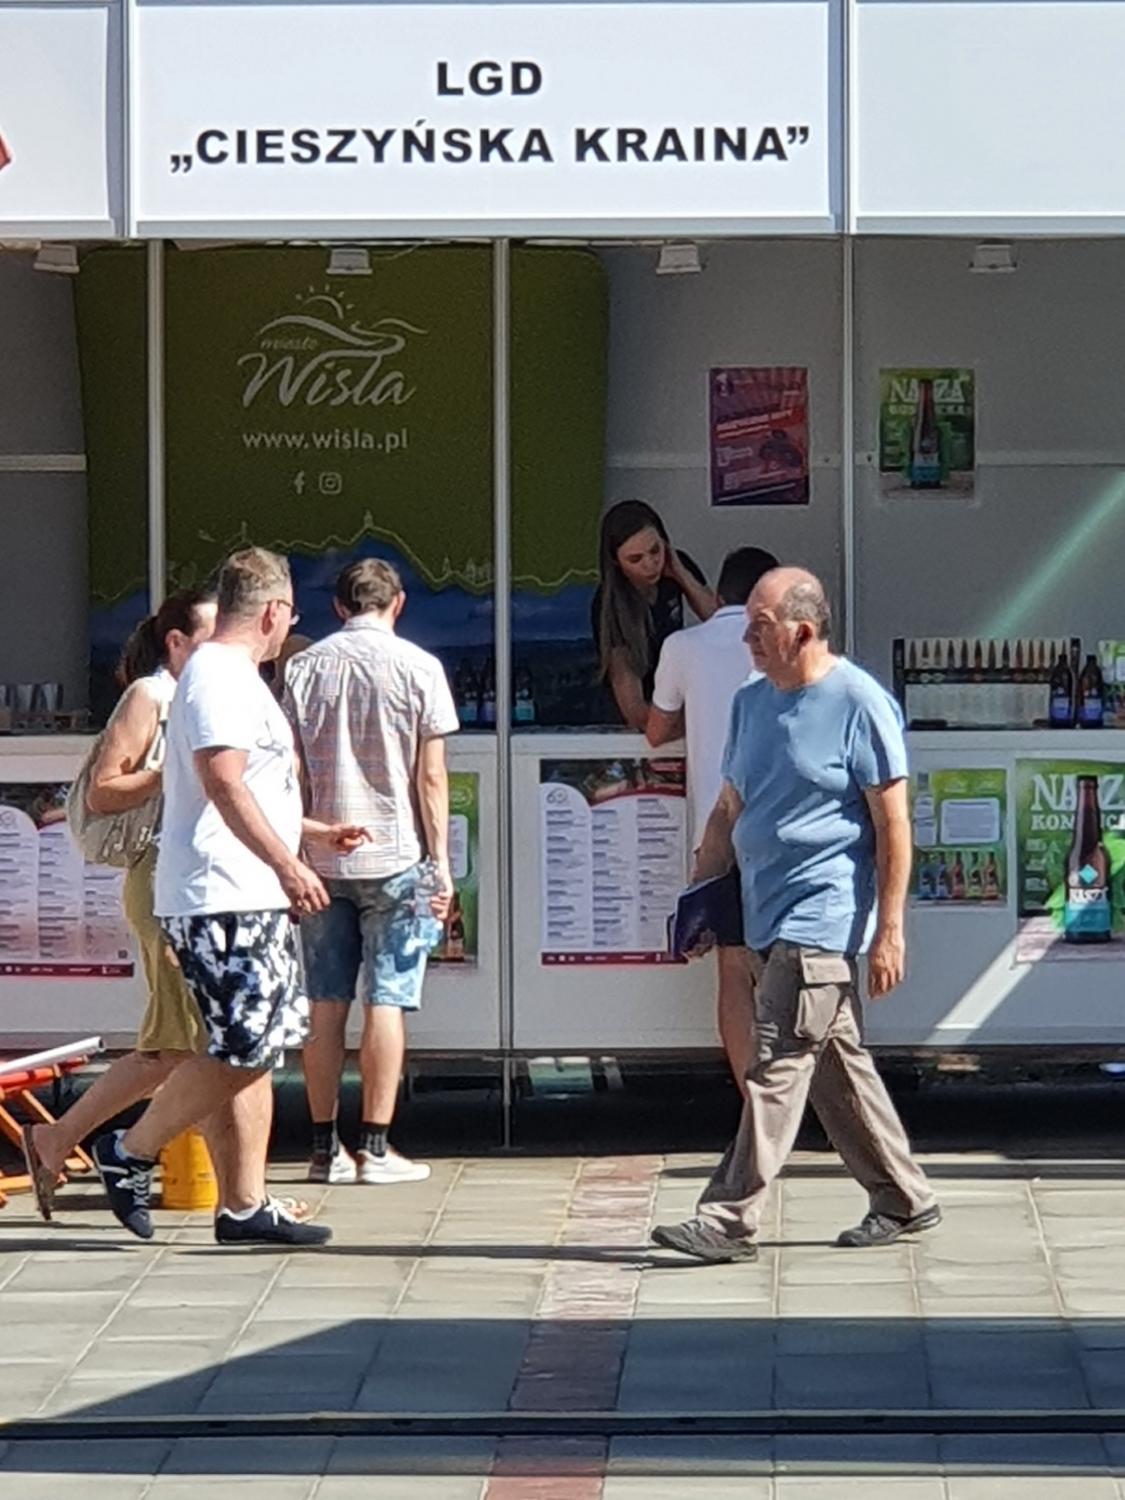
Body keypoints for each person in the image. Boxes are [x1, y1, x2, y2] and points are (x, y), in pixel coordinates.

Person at [652, 567, 940, 1263]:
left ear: (802, 631)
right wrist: (699, 896)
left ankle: (726, 1220)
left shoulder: (858, 703)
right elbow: (729, 809)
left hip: (822, 914)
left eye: (759, 626)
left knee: (776, 1062)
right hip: (762, 910)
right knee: (838, 1067)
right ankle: (904, 1197)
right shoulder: (752, 702)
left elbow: (892, 824)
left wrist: (890, 930)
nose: (745, 638)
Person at [90, 547, 367, 1246]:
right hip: (220, 893)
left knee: (259, 1045)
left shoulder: (231, 675)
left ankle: (242, 1205)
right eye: (290, 618)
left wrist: (309, 836)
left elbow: (243, 788)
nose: (287, 629)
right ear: (273, 612)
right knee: (243, 1045)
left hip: (242, 890)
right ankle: (129, 1150)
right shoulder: (218, 675)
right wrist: (287, 864)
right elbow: (221, 780)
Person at [21, 590, 217, 1217]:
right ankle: (225, 1192)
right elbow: (104, 791)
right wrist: (176, 771)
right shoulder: (151, 696)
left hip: (178, 878)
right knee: (185, 1046)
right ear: (176, 643)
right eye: (211, 634)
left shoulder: (199, 699)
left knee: (190, 1045)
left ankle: (60, 1140)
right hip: (160, 879)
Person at [283, 558, 459, 1185]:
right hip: (395, 854)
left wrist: (296, 846)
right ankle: (377, 1149)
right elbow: (430, 777)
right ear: (398, 603)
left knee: (324, 1002)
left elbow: (291, 771)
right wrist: (441, 864)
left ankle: (323, 1149)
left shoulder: (302, 668)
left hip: (321, 856)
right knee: (388, 999)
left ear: (338, 607)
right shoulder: (421, 668)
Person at [646, 546, 779, 1094]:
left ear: (719, 593)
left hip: (716, 833)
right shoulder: (787, 649)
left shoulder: (682, 646)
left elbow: (656, 731)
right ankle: (794, 1100)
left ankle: (755, 1102)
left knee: (732, 971)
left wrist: (700, 718)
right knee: (791, 970)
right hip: (785, 832)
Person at [592, 500, 717, 729]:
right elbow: (634, 710)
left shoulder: (676, 568)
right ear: (616, 561)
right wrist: (699, 721)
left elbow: (721, 619)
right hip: (634, 724)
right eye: (635, 559)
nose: (650, 564)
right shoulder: (610, 605)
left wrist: (680, 573)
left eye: (655, 550)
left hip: (674, 702)